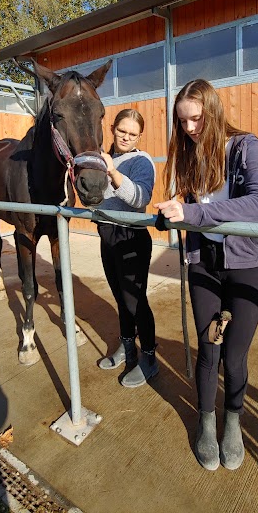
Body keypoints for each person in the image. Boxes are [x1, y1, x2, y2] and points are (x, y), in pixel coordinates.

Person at [155, 79, 258, 471]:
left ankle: (233, 421)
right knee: (209, 350)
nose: (189, 129)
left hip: (248, 267)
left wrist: (193, 215)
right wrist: (175, 205)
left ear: (213, 109)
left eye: (196, 119)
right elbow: (189, 201)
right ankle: (207, 421)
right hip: (204, 263)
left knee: (235, 354)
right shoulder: (189, 154)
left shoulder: (244, 147)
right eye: (183, 122)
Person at [96, 109, 158, 388]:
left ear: (139, 136)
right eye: (122, 131)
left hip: (131, 238)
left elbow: (140, 198)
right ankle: (126, 346)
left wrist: (112, 171)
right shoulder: (104, 158)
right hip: (107, 235)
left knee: (135, 300)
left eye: (133, 134)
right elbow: (94, 199)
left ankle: (149, 357)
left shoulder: (141, 161)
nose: (126, 137)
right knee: (120, 297)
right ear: (113, 128)